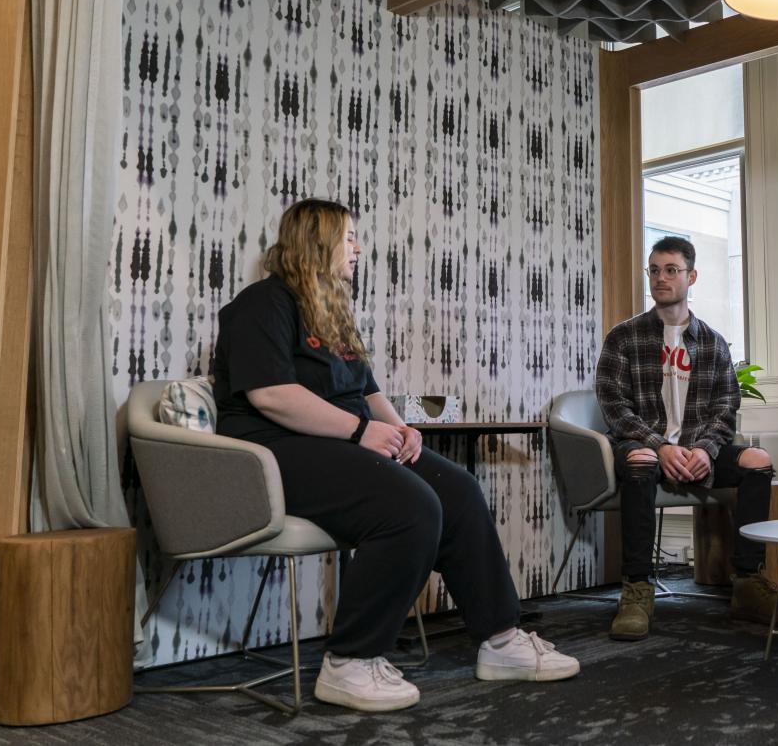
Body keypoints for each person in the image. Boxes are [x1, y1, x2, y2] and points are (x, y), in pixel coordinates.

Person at [212, 198, 579, 712]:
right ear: (319, 241)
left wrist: (401, 430)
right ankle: (349, 661)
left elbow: (365, 391)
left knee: (458, 491)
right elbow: (272, 395)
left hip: (337, 441)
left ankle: (500, 640)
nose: (358, 247)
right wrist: (362, 433)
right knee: (409, 504)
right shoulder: (261, 305)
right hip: (274, 452)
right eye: (349, 237)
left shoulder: (332, 310)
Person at [594, 235, 778, 640]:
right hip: (645, 447)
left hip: (697, 450)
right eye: (654, 270)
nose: (661, 278)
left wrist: (706, 451)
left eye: (671, 270)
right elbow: (614, 406)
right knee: (642, 460)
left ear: (691, 276)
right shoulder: (624, 337)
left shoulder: (712, 342)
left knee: (757, 462)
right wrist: (660, 445)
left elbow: (726, 408)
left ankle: (747, 582)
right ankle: (637, 589)